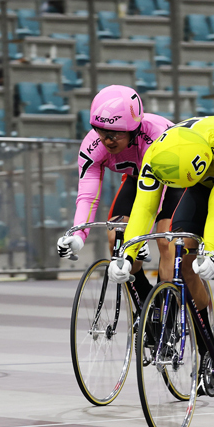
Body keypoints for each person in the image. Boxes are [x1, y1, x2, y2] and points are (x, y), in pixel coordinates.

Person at [107, 116, 214, 359]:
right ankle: (207, 349)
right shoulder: (156, 157)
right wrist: (127, 254)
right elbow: (144, 209)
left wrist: (209, 251)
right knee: (181, 252)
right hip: (200, 182)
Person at [57, 85, 182, 300]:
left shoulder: (155, 136)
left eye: (115, 134)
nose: (107, 140)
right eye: (102, 131)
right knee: (117, 235)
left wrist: (140, 233)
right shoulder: (92, 146)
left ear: (133, 129)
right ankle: (145, 304)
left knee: (165, 239)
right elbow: (88, 196)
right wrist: (78, 234)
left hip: (176, 181)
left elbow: (156, 194)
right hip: (136, 180)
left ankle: (168, 313)